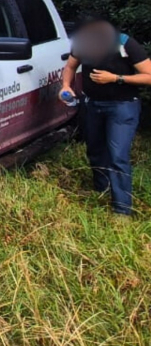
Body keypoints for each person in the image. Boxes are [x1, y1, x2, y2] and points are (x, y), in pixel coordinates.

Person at [60, 15, 151, 217]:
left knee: (117, 156)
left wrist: (116, 78)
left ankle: (122, 210)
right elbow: (70, 66)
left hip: (122, 106)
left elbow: (149, 75)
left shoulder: (125, 43)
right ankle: (102, 191)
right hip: (93, 105)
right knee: (95, 150)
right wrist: (66, 86)